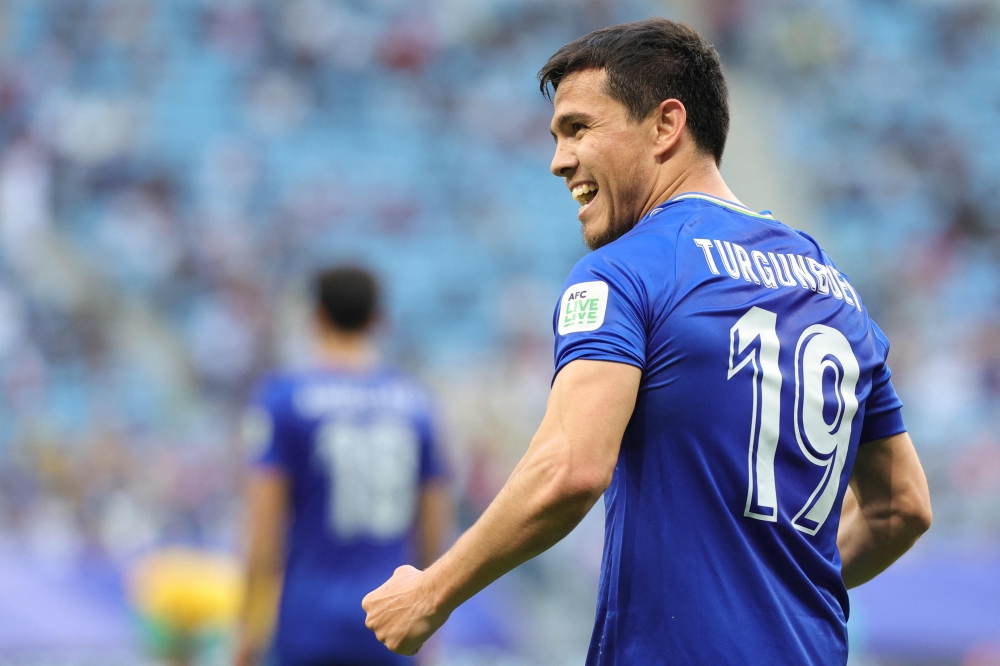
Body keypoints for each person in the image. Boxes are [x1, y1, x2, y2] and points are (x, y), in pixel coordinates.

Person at [362, 18, 932, 665]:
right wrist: (777, 595)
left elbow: (571, 469)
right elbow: (901, 510)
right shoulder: (838, 294)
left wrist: (431, 592)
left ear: (666, 125)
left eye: (578, 128)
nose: (558, 161)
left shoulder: (630, 269)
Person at [235, 266, 451, 666]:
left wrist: (248, 627)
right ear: (377, 320)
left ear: (315, 316)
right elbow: (434, 523)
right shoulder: (417, 403)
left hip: (306, 621)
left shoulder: (284, 400)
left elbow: (264, 529)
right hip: (392, 620)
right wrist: (429, 614)